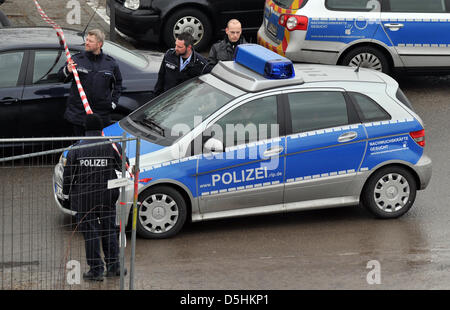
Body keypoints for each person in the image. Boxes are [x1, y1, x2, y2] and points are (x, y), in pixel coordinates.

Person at [62, 114, 125, 281]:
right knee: (109, 230)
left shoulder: (77, 148)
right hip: (107, 197)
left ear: (85, 128)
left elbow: (68, 175)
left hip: (84, 198)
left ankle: (96, 270)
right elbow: (122, 166)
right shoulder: (112, 146)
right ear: (101, 128)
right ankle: (114, 266)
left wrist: (66, 194)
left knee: (91, 233)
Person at [58, 29, 122, 136]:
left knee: (98, 146)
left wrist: (113, 103)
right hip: (78, 115)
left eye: (90, 41)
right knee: (80, 146)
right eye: (87, 40)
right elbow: (60, 77)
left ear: (99, 44)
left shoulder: (110, 63)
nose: (86, 43)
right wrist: (67, 70)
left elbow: (118, 84)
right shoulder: (77, 59)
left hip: (101, 115)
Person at [152, 32, 211, 97]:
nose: (176, 48)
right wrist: (156, 95)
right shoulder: (169, 55)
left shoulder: (201, 64)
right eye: (176, 45)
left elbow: (205, 87)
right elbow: (161, 75)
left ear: (189, 47)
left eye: (179, 47)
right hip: (167, 98)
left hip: (185, 102)